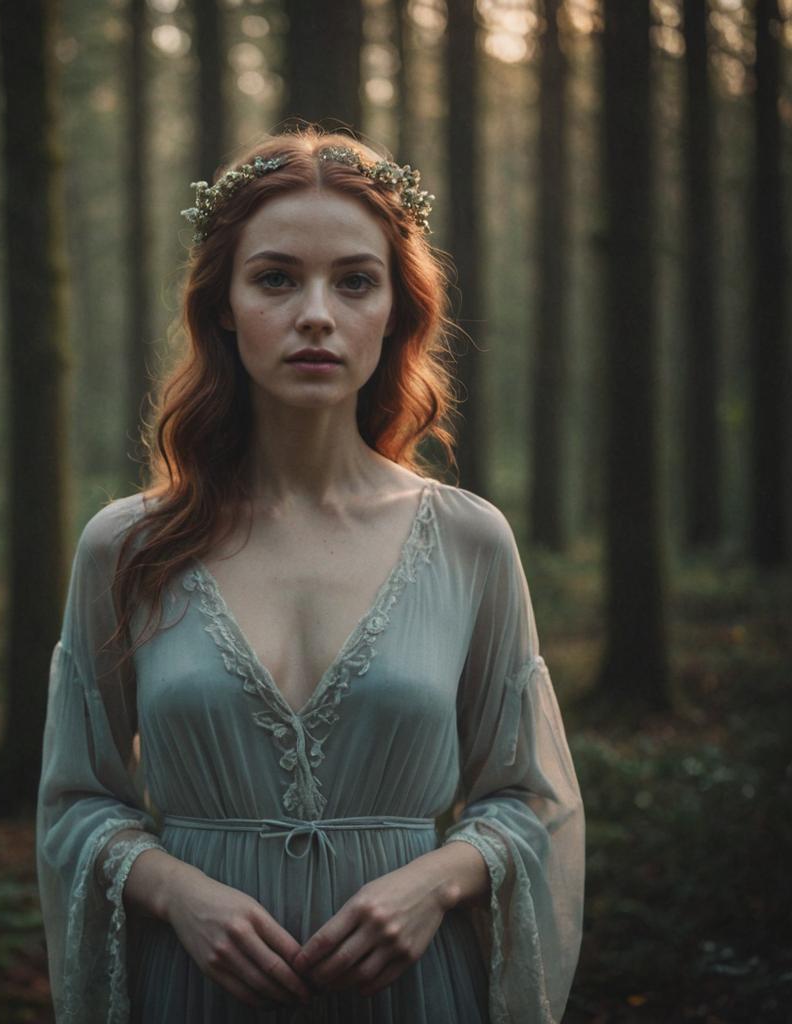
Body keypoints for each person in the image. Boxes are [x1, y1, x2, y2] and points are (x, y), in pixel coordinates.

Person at [36, 127, 584, 1024]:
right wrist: (176, 892)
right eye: (277, 278)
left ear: (397, 313)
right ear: (224, 308)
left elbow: (531, 800)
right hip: (193, 991)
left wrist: (437, 884)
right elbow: (75, 801)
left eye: (355, 281)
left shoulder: (470, 541)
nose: (317, 314)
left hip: (412, 995)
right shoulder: (127, 547)